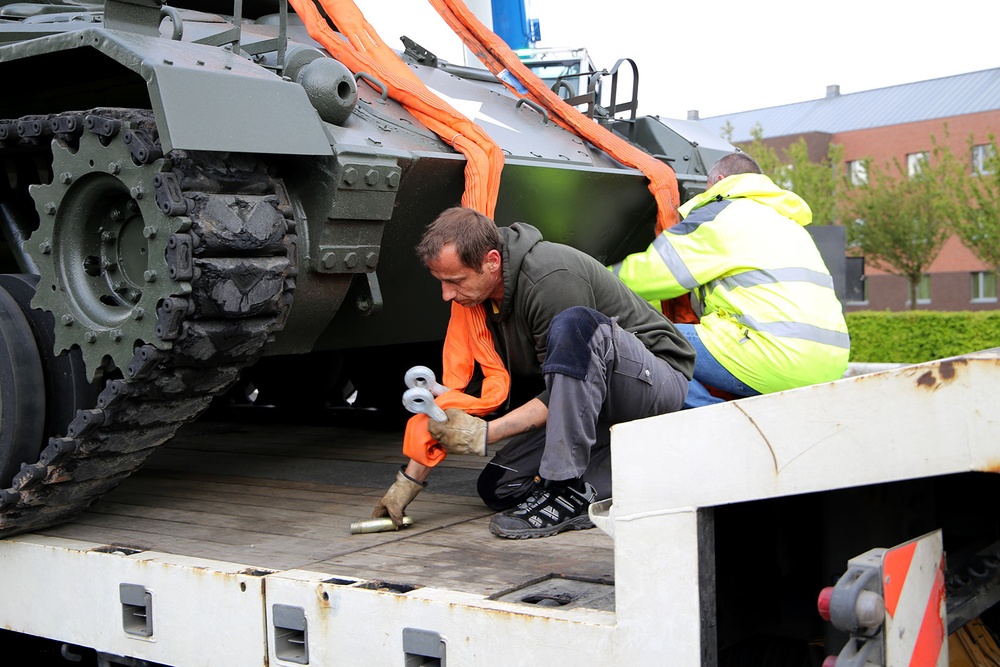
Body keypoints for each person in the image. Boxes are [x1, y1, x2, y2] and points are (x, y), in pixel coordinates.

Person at [373, 206, 695, 539]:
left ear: (492, 261)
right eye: (441, 282)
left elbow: (567, 379)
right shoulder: (476, 300)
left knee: (575, 325)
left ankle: (565, 486)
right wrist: (408, 483)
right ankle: (642, 468)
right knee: (500, 487)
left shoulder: (549, 278)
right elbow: (455, 403)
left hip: (651, 383)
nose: (447, 295)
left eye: (455, 281)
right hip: (588, 399)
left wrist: (486, 434)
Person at [610, 152, 850, 408]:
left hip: (773, 356)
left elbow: (653, 274)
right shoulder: (789, 224)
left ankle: (710, 417)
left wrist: (596, 277)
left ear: (720, 181)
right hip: (831, 364)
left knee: (638, 338)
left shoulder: (722, 214)